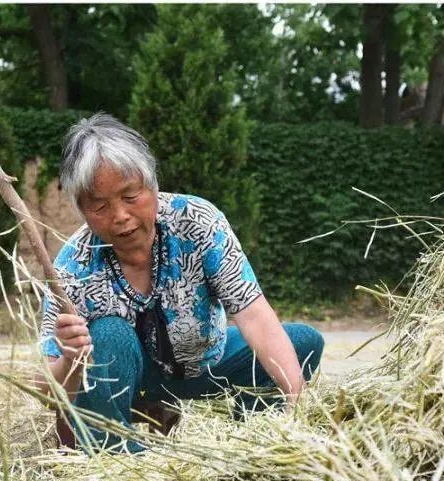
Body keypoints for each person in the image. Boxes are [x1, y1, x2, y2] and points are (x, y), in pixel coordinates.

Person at [35, 113, 324, 452]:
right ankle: (120, 457)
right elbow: (44, 386)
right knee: (109, 335)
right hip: (128, 378)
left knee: (302, 343)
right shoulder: (73, 268)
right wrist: (70, 358)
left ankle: (255, 438)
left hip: (207, 364)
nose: (120, 216)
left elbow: (253, 312)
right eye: (99, 206)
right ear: (82, 209)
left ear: (153, 184)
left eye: (130, 196)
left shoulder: (198, 223)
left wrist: (298, 400)